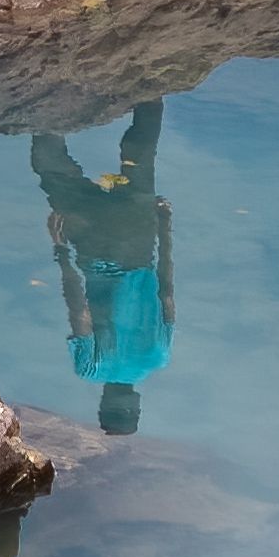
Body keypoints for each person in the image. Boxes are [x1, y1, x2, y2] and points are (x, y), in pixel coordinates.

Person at [38, 102, 172, 435]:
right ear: (103, 403)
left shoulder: (159, 356)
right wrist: (60, 251)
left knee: (139, 159)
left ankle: (152, 88)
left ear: (136, 402)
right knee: (50, 166)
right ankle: (51, 102)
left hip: (140, 238)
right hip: (95, 244)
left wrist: (164, 227)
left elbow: (166, 293)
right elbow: (80, 312)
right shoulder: (91, 368)